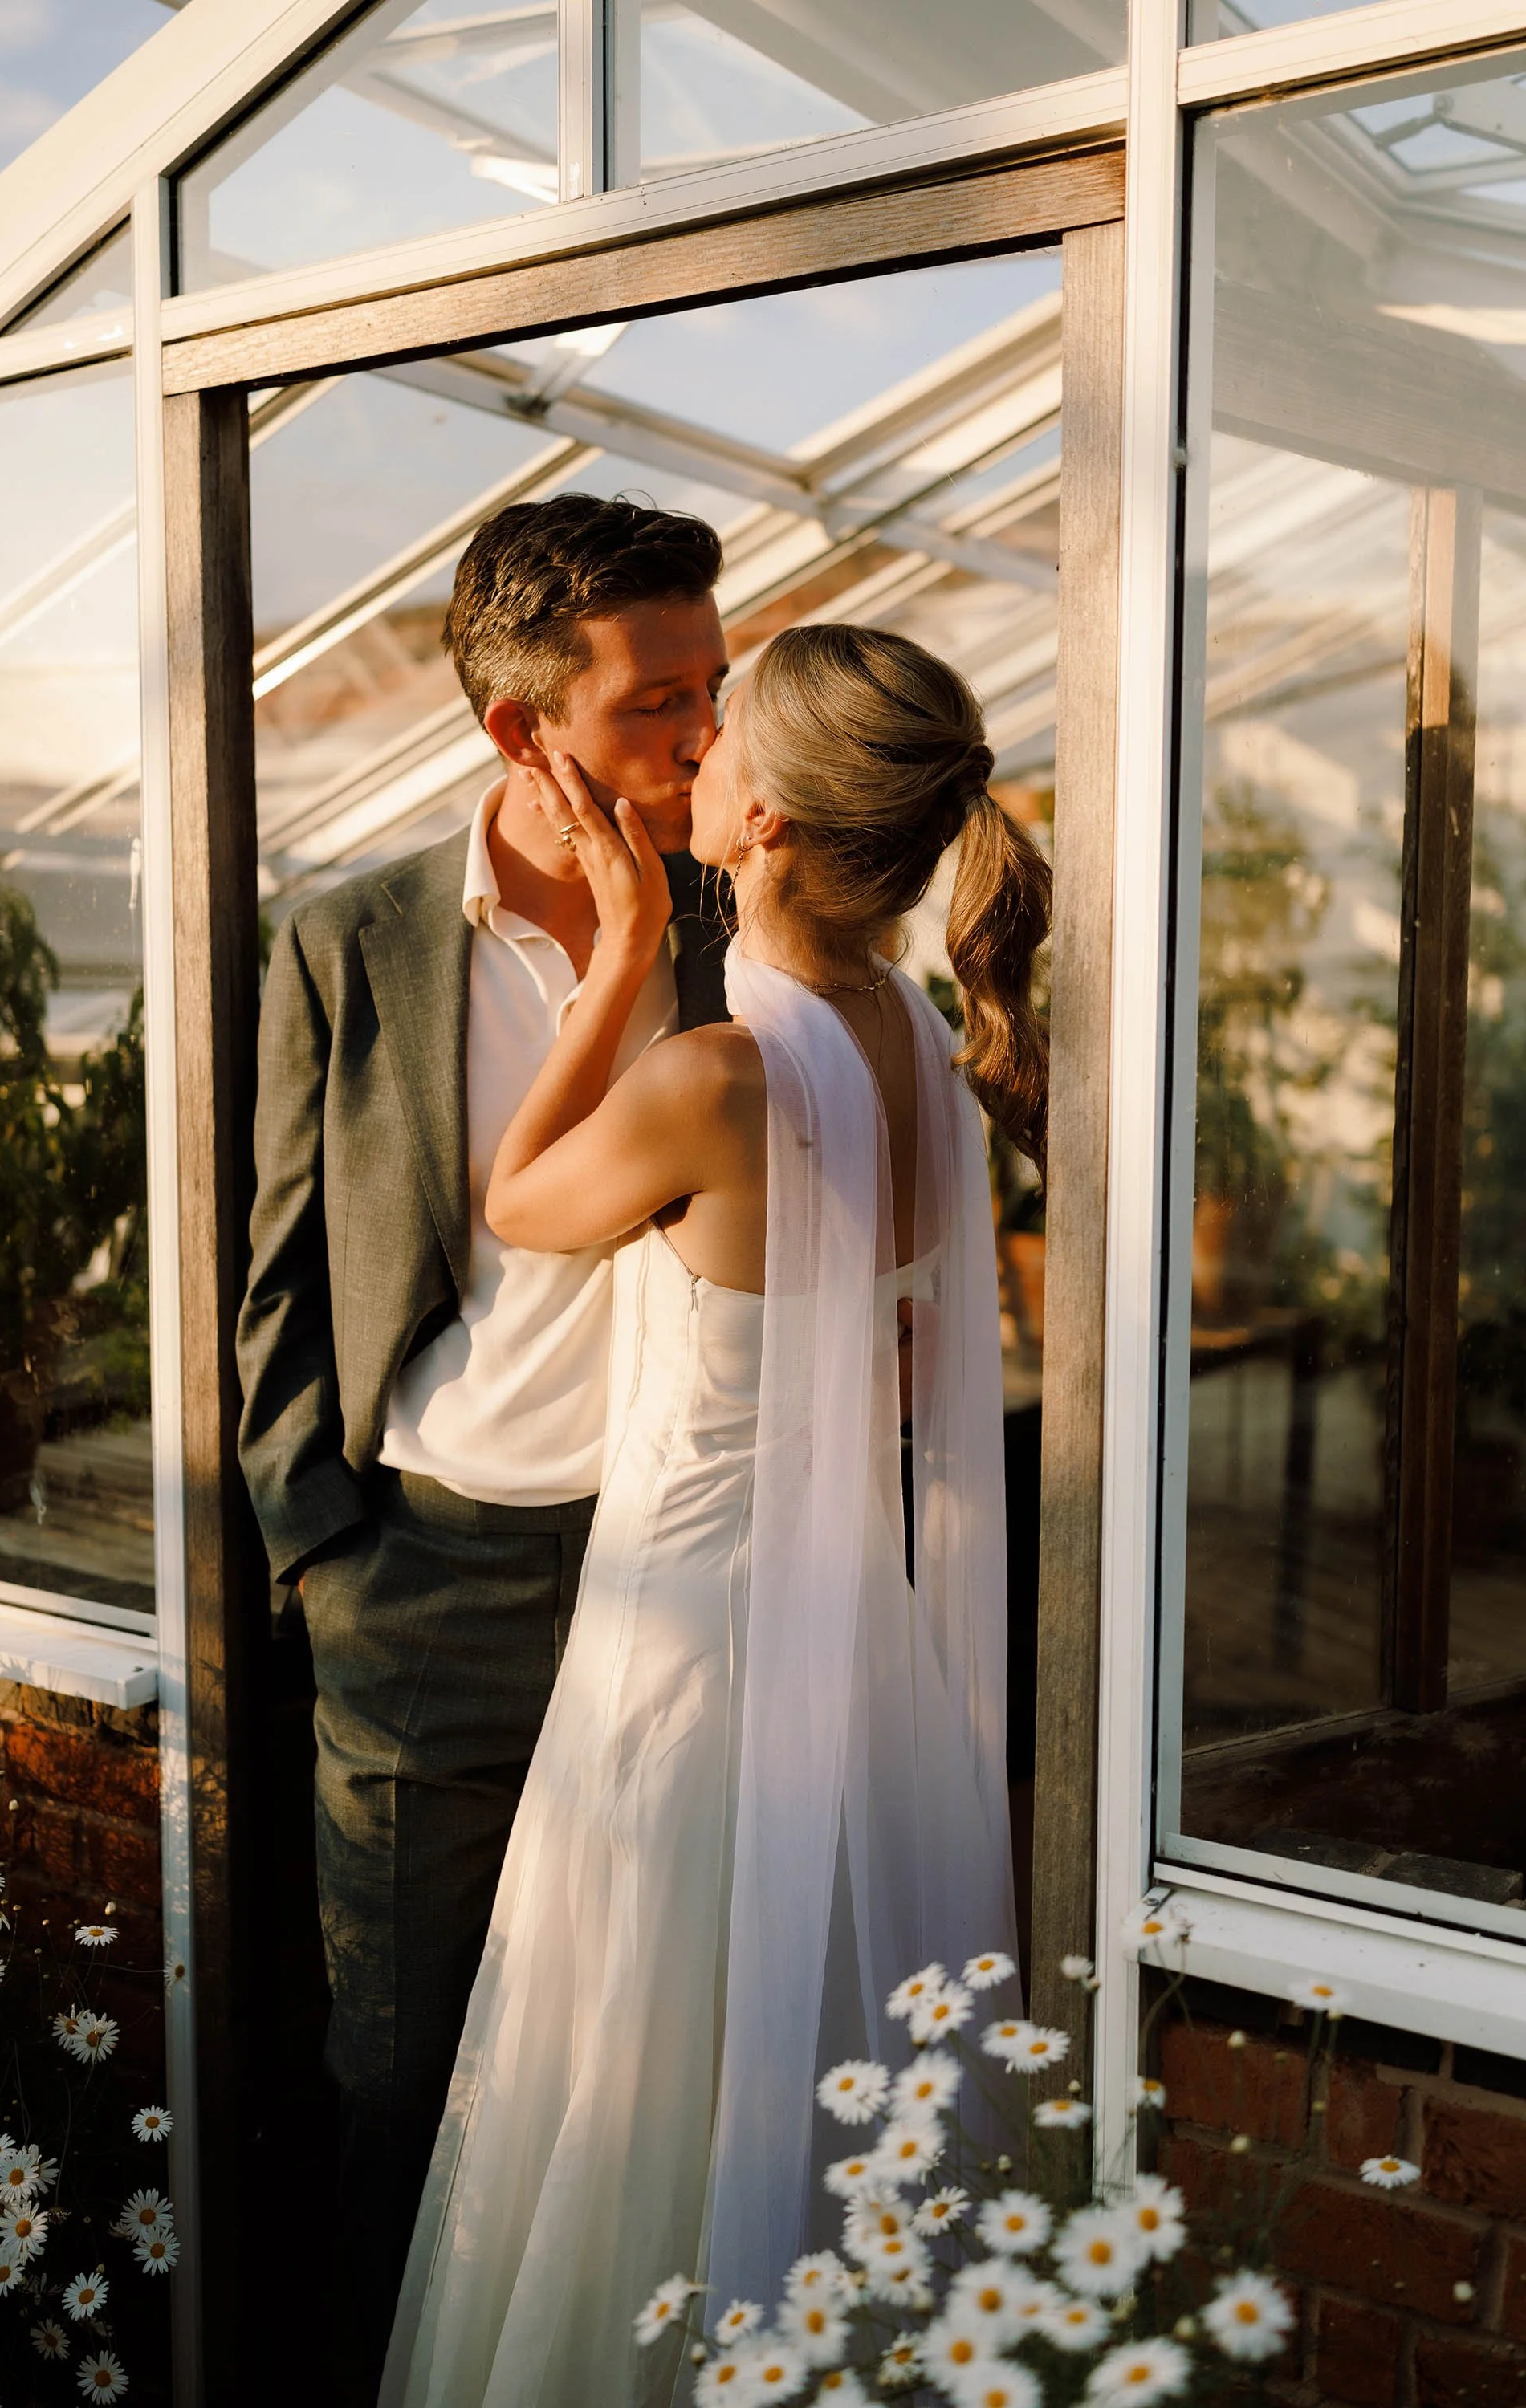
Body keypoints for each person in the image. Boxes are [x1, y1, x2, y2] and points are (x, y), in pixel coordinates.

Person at [380, 622, 1052, 2408]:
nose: (693, 750)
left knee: (636, 2103)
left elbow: (521, 1206)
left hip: (687, 1668)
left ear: (761, 821)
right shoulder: (909, 1038)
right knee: (816, 2096)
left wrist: (614, 956)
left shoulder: (716, 1077)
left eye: (721, 727)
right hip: (863, 1663)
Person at [234, 494, 734, 2405]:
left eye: (713, 688)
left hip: (672, 1572)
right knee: (408, 2075)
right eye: (654, 706)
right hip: (421, 1589)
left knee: (626, 2070)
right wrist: (326, 1557)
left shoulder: (728, 919)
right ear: (522, 732)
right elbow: (274, 1287)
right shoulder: (344, 947)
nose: (701, 740)